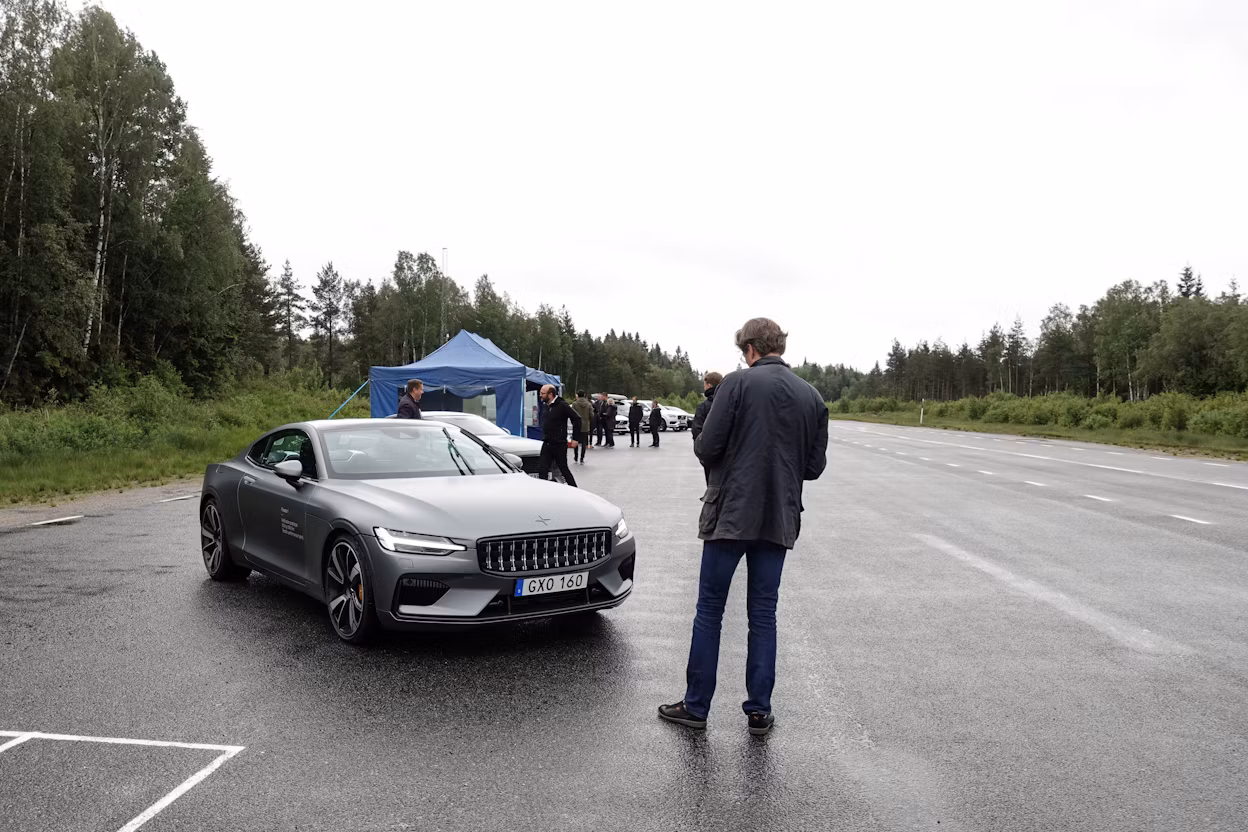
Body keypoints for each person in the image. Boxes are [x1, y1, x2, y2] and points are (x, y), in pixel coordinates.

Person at [659, 317, 829, 736]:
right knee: (764, 614)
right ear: (778, 346)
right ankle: (759, 710)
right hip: (779, 517)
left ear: (750, 349)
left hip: (729, 516)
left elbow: (707, 446)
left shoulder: (735, 384)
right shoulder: (811, 396)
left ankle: (696, 706)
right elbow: (813, 467)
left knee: (710, 611)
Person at [538, 385, 580, 487]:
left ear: (550, 394)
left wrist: (575, 438)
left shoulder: (562, 405)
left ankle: (575, 490)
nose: (540, 395)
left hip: (559, 443)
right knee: (542, 469)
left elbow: (577, 419)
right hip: (547, 442)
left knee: (563, 469)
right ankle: (541, 491)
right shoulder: (546, 405)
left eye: (542, 393)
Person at [691, 372, 723, 483]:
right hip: (730, 458)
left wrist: (703, 456)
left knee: (712, 486)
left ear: (709, 385)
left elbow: (697, 431)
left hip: (710, 456)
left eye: (704, 385)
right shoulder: (731, 402)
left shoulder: (704, 407)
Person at [571, 391, 594, 464]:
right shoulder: (589, 404)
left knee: (576, 441)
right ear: (584, 395)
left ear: (577, 395)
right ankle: (582, 458)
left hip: (576, 425)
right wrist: (588, 420)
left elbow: (571, 414)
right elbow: (591, 415)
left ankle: (576, 457)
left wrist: (573, 422)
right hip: (585, 425)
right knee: (584, 442)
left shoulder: (574, 404)